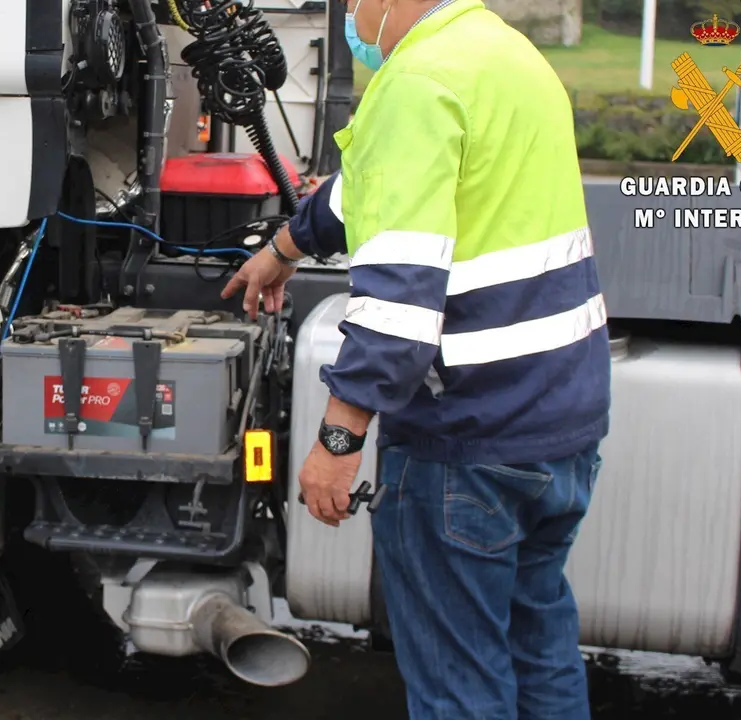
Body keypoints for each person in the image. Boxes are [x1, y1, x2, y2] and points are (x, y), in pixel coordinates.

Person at [221, 0, 611, 717]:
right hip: (561, 422)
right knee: (537, 647)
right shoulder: (509, 56)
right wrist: (285, 247)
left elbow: (397, 307)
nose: (349, 14)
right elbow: (370, 188)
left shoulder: (416, 82)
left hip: (469, 439)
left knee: (459, 682)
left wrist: (337, 443)